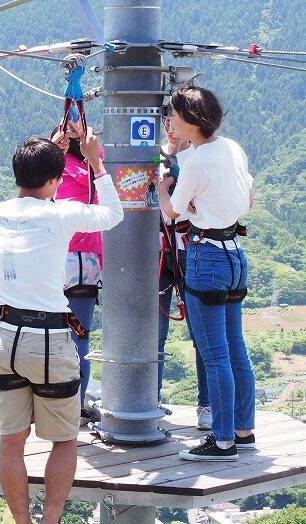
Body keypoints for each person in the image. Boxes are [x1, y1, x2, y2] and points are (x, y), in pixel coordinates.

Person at [0, 132, 123, 523]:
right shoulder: (61, 212)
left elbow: (38, 184)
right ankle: (51, 521)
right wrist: (95, 162)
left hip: (6, 338)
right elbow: (113, 215)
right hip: (49, 341)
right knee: (64, 441)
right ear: (56, 179)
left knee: (11, 443)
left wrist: (50, 154)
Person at [158, 85, 255, 462]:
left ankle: (222, 440)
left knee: (215, 356)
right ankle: (242, 430)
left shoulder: (195, 162)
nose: (170, 120)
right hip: (234, 255)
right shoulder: (231, 148)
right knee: (236, 350)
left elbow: (171, 213)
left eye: (174, 114)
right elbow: (247, 199)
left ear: (190, 120)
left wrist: (162, 187)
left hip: (205, 258)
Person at [157, 116, 210, 430]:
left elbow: (177, 209)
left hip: (190, 250)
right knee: (155, 333)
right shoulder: (157, 160)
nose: (171, 127)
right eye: (168, 120)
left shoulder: (200, 160)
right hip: (163, 252)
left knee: (200, 334)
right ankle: (152, 399)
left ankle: (206, 405)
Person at [51, 121, 104, 426]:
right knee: (79, 334)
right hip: (89, 260)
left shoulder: (55, 168)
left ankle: (51, 401)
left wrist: (50, 143)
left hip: (56, 255)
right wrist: (86, 139)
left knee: (49, 332)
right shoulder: (94, 170)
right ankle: (78, 404)